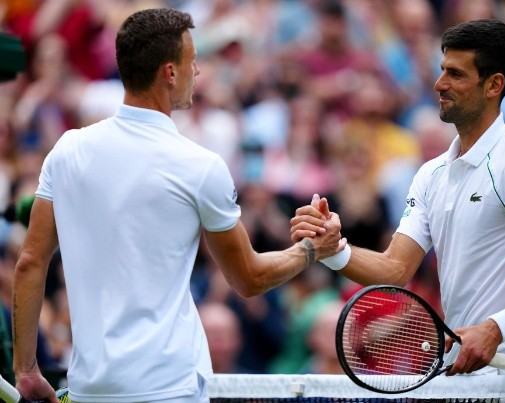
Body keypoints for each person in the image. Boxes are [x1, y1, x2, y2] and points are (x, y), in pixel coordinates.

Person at [11, 8, 344, 403]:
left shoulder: (66, 151)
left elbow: (31, 262)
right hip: (170, 389)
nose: (198, 72)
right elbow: (249, 279)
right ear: (170, 72)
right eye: (193, 62)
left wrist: (26, 368)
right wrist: (311, 250)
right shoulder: (199, 167)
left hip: (91, 390)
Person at [291, 19, 505, 376]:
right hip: (464, 376)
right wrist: (332, 250)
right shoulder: (430, 175)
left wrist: (494, 330)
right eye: (442, 70)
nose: (439, 84)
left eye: (456, 74)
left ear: (494, 85)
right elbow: (395, 270)